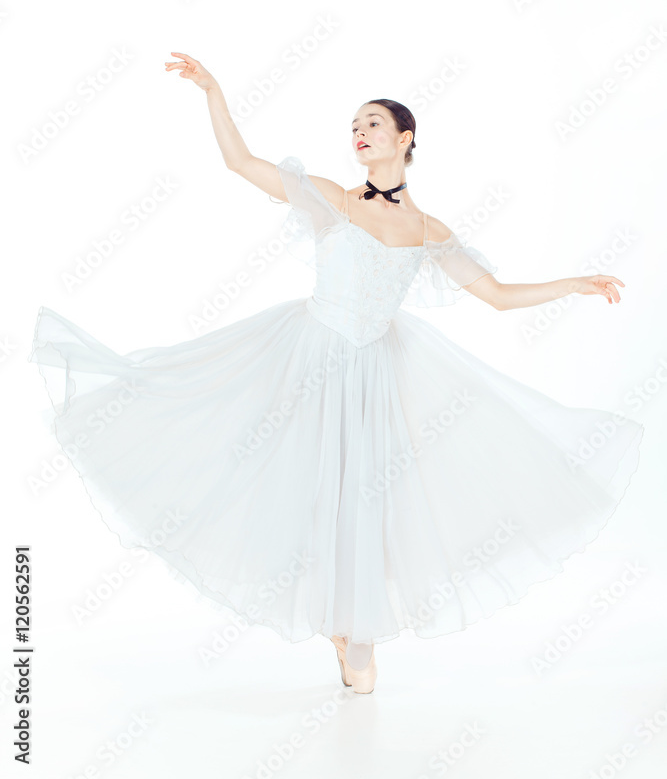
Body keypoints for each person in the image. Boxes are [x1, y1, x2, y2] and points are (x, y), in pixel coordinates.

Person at [27, 52, 644, 696]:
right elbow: (241, 163)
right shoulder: (331, 198)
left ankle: (359, 631)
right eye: (354, 125)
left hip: (378, 370)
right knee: (303, 487)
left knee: (372, 499)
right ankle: (336, 622)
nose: (360, 133)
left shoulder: (429, 230)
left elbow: (497, 295)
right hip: (308, 356)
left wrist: (574, 283)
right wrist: (213, 90)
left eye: (373, 123)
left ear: (405, 139)